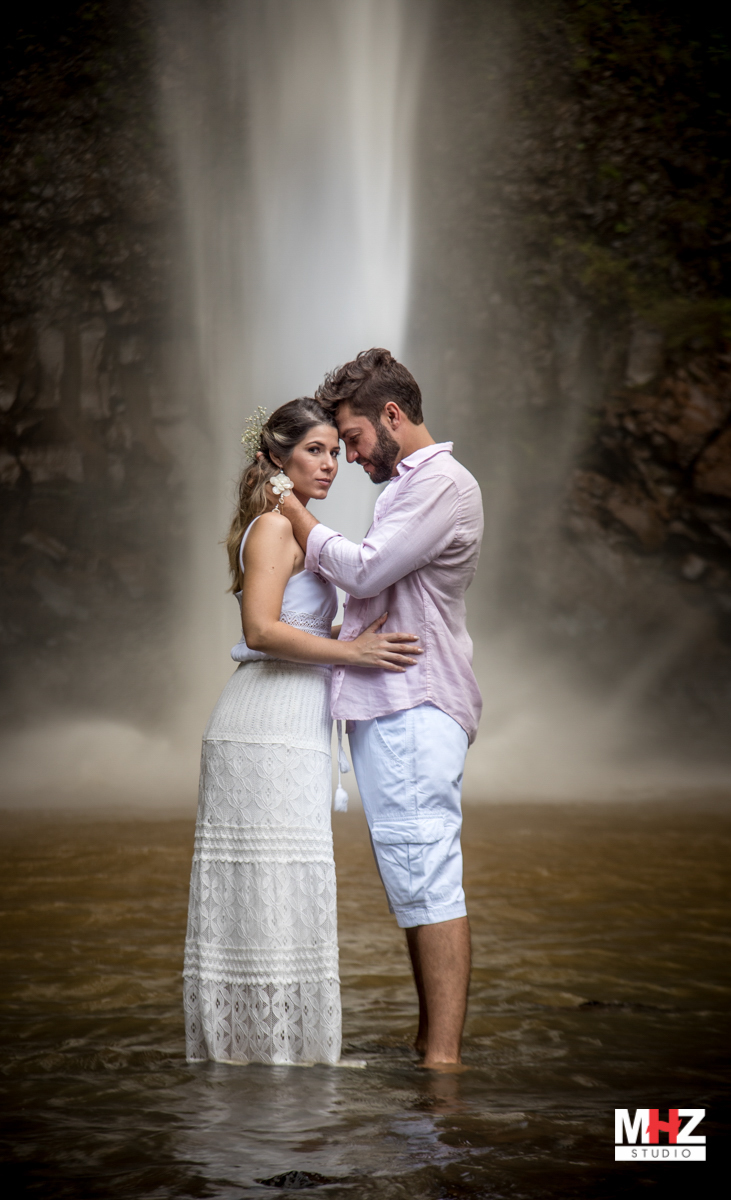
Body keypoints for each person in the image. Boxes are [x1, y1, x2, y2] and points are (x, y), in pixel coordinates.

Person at [183, 396, 422, 1064]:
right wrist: (353, 652)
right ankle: (258, 1059)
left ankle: (279, 1057)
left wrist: (349, 634)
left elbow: (300, 619)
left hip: (295, 725)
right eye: (314, 450)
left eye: (331, 450)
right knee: (266, 890)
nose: (330, 463)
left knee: (287, 892)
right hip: (263, 726)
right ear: (278, 459)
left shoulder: (296, 529)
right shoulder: (273, 529)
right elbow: (259, 630)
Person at [281, 350, 483, 1068]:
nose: (353, 456)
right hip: (398, 703)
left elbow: (365, 568)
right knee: (414, 876)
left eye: (355, 438)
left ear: (391, 415)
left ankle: (441, 1063)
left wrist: (292, 513)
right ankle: (430, 1047)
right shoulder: (409, 485)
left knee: (426, 873)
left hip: (413, 701)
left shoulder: (441, 484)